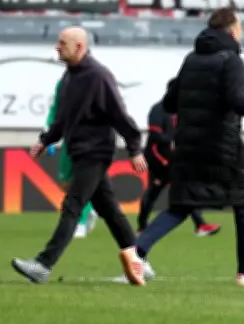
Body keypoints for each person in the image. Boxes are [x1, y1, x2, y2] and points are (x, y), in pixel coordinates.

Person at [129, 8, 244, 287]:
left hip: (188, 147)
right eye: (240, 27)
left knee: (182, 205)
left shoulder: (191, 59)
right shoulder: (231, 59)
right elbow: (240, 102)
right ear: (233, 31)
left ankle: (136, 252)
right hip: (222, 147)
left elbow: (170, 103)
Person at [11, 27, 149, 286]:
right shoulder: (69, 77)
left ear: (79, 47)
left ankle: (43, 265)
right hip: (79, 150)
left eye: (62, 43)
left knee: (72, 205)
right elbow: (62, 119)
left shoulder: (98, 76)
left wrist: (134, 148)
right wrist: (45, 141)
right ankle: (140, 262)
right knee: (109, 210)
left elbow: (119, 114)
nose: (57, 46)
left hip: (95, 151)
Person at [137, 99, 221, 237]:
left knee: (186, 190)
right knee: (153, 192)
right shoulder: (158, 110)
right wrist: (171, 140)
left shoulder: (183, 110)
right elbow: (155, 137)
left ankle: (200, 224)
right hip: (159, 160)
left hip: (175, 161)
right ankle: (142, 226)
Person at [46, 77, 99, 239]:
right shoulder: (63, 83)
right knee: (66, 183)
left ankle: (80, 222)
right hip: (69, 140)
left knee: (81, 182)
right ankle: (90, 209)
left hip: (90, 141)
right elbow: (56, 109)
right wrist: (48, 135)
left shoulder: (95, 79)